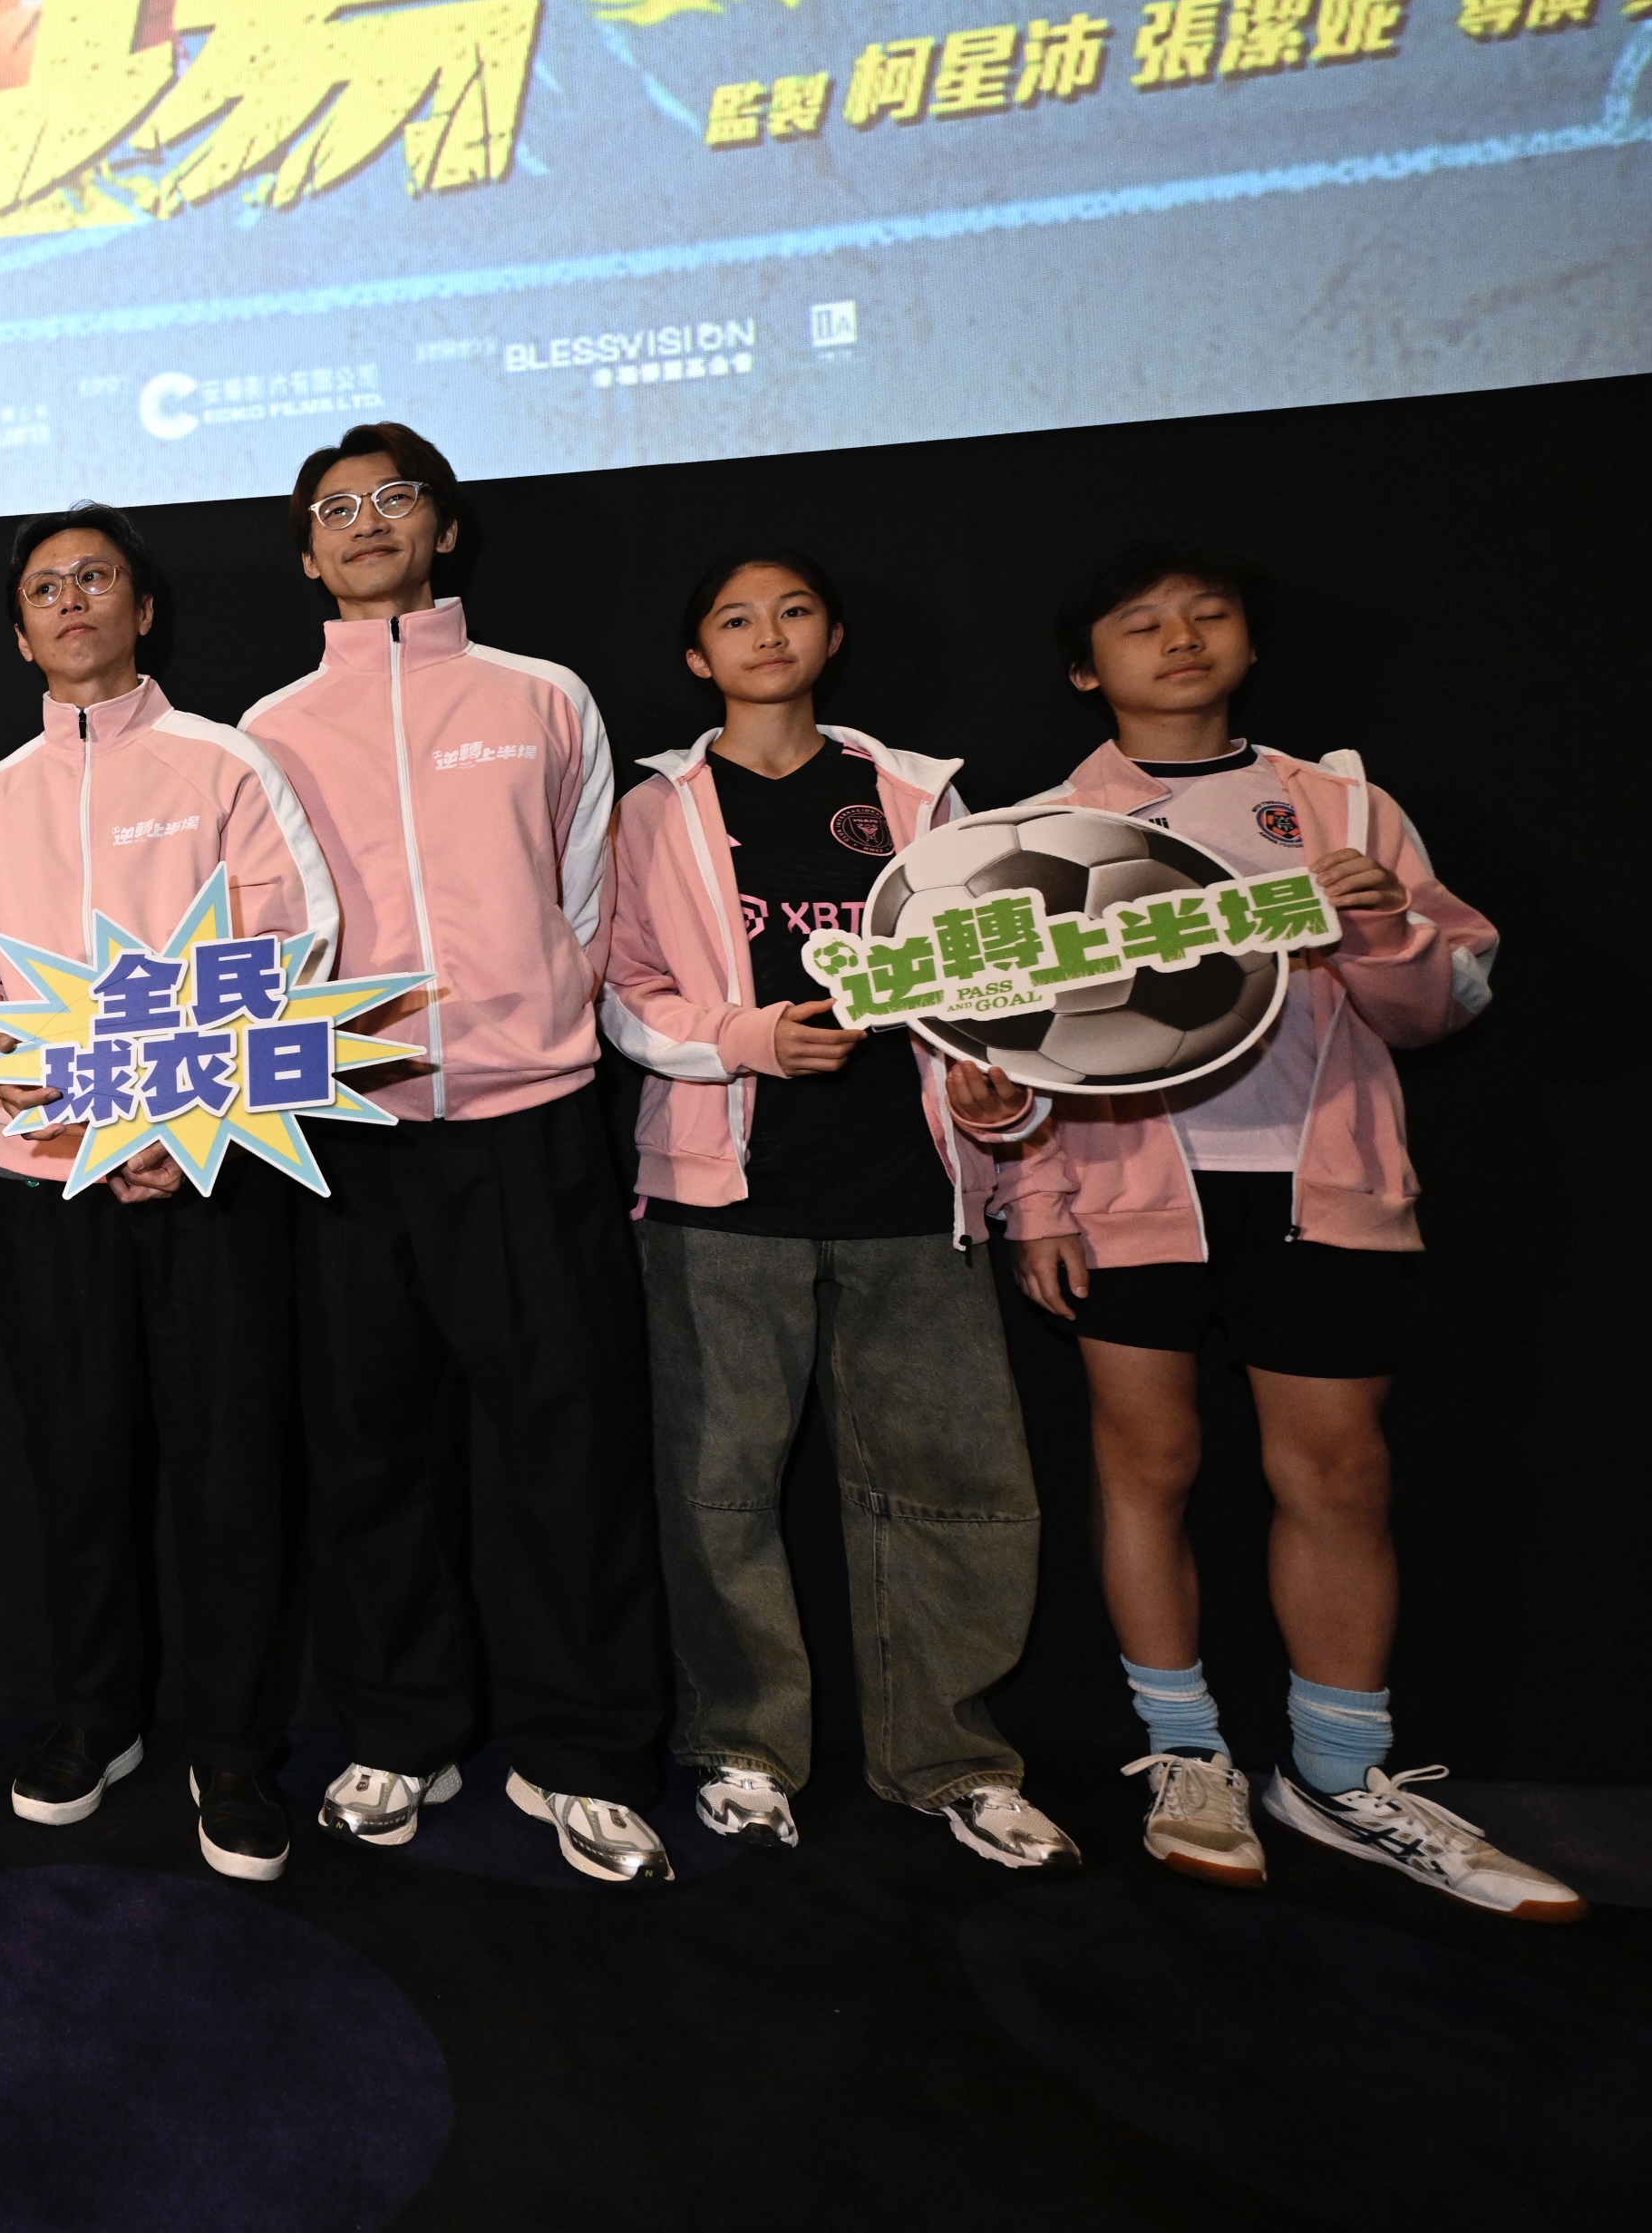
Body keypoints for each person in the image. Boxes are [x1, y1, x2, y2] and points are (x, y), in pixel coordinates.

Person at [1004, 545, 1577, 1920]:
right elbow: (998, 1039)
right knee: (1148, 1463)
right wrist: (1031, 1194)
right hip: (1131, 1192)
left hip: (1322, 1184)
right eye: (1140, 624)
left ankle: (1336, 1775)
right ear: (1087, 668)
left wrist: (1380, 932)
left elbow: (1438, 1009)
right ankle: (1185, 1756)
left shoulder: (1342, 807)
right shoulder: (1037, 832)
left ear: (1250, 644)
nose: (1179, 639)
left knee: (1340, 1474)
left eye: (1207, 616)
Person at [239, 422, 675, 1886]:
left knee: (573, 1447)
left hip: (530, 1125)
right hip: (350, 1130)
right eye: (336, 509)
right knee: (370, 1450)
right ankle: (398, 1731)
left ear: (444, 529)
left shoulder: (541, 696)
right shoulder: (269, 728)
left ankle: (585, 1752)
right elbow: (259, 932)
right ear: (310, 556)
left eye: (394, 499)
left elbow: (585, 899)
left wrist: (529, 1023)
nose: (366, 522)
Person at [600, 552, 1079, 1871]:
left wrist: (1002, 1109)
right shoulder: (654, 808)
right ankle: (744, 1752)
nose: (769, 635)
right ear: (697, 656)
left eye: (794, 611)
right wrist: (747, 1038)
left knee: (958, 1489)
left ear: (834, 635)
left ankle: (954, 1759)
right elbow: (621, 991)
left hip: (913, 1193)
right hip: (721, 1199)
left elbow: (1005, 981)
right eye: (736, 619)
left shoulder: (920, 795)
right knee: (718, 1496)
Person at [0, 502, 335, 1884]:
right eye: (45, 588)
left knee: (230, 1467)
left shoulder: (225, 761)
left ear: (143, 607)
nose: (72, 602)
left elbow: (295, 945)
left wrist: (185, 1122)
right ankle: (96, 1719)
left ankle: (232, 1750)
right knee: (76, 1462)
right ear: (20, 632)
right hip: (48, 1183)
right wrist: (6, 1082)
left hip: (212, 1169)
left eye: (96, 578)